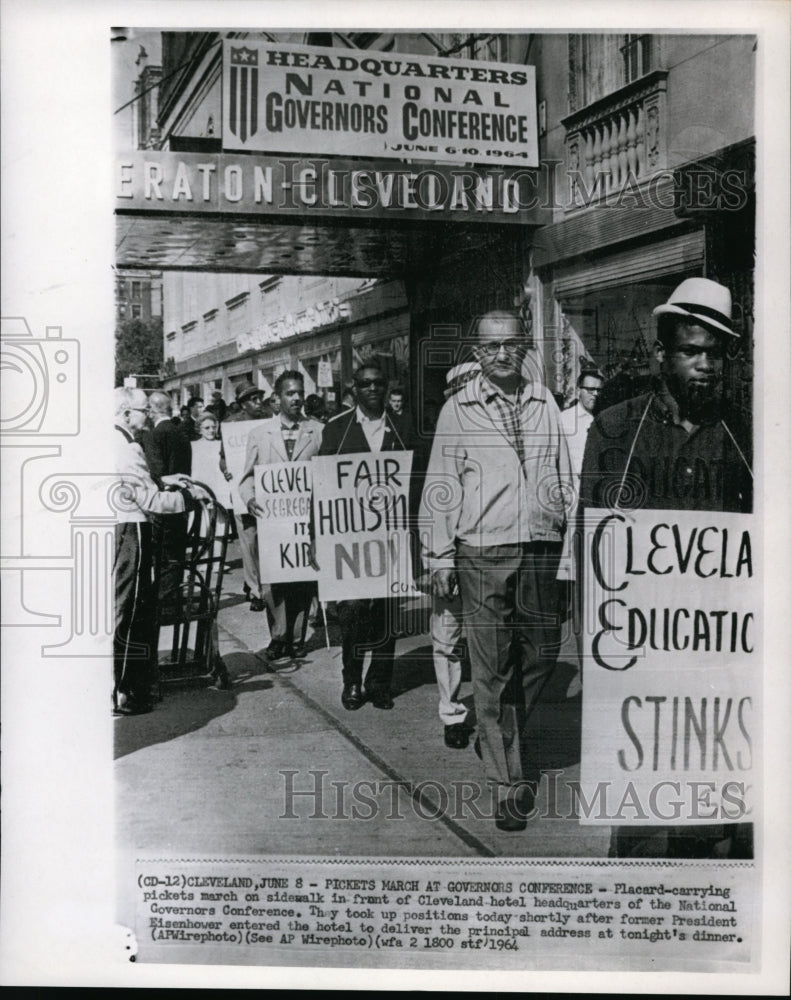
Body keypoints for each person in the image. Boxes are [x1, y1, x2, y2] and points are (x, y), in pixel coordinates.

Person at [580, 276, 753, 858]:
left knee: (708, 811)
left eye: (715, 352)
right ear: (662, 354)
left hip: (717, 656)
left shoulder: (746, 436)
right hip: (640, 654)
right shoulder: (616, 430)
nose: (705, 365)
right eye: (691, 350)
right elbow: (596, 551)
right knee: (638, 809)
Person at [420, 310, 573, 831]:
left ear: (523, 347)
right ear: (476, 353)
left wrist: (567, 542)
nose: (501, 354)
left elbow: (561, 473)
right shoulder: (457, 410)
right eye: (491, 347)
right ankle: (507, 782)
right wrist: (439, 556)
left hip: (541, 546)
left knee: (543, 653)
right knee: (490, 669)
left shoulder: (544, 401)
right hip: (481, 551)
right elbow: (441, 485)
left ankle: (501, 731)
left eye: (511, 345)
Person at [318, 361, 413, 711]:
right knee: (354, 611)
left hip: (392, 537)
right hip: (349, 539)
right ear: (354, 390)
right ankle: (352, 680)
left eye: (378, 384)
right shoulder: (337, 429)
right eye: (365, 385)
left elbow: (414, 486)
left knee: (387, 612)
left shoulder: (403, 428)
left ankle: (379, 684)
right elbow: (323, 486)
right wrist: (319, 539)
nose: (372, 390)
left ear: (386, 388)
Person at [114, 387, 204, 715]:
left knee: (121, 608)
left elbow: (133, 483)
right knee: (129, 610)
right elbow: (149, 499)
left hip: (115, 528)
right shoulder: (128, 448)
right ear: (126, 414)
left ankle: (123, 686)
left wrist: (166, 478)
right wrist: (189, 500)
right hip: (130, 531)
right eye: (142, 411)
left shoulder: (111, 442)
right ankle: (123, 691)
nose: (147, 417)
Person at [240, 371, 324, 660]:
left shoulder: (318, 431)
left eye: (300, 392)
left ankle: (297, 637)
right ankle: (278, 637)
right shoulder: (259, 434)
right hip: (272, 519)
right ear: (277, 397)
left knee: (302, 577)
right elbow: (246, 478)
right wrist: (250, 499)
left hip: (305, 519)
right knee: (273, 582)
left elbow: (326, 473)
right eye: (290, 393)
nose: (297, 398)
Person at [140, 390, 193, 615]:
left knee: (161, 554)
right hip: (182, 499)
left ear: (152, 410)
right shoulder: (181, 433)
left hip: (162, 502)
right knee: (177, 553)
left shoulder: (153, 435)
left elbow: (157, 472)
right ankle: (173, 599)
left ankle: (164, 605)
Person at [222, 382, 270, 612]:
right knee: (249, 543)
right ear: (243, 404)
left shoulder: (271, 420)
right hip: (243, 492)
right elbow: (223, 459)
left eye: (260, 398)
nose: (259, 403)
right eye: (253, 399)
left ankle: (269, 585)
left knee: (268, 542)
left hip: (268, 490)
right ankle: (255, 590)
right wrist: (226, 470)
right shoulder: (231, 425)